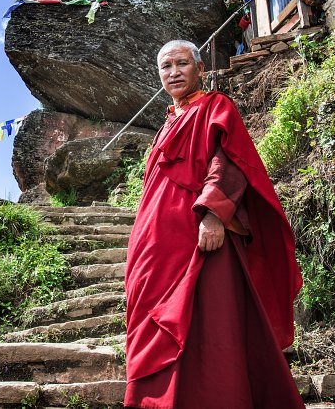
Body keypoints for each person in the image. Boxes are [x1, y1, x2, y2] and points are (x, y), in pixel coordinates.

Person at [124, 40, 304, 409]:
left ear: (200, 69)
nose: (173, 72)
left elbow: (229, 161)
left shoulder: (214, 107)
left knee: (211, 321)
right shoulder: (165, 126)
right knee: (150, 322)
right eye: (165, 66)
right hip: (155, 244)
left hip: (198, 237)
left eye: (181, 64)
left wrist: (214, 214)